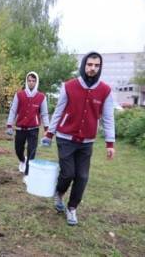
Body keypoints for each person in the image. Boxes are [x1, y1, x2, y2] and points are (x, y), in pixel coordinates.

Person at [41, 52, 115, 226]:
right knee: (68, 173)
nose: (92, 68)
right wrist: (49, 133)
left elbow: (108, 117)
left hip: (86, 142)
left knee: (82, 177)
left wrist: (110, 143)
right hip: (65, 138)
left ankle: (72, 208)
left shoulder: (105, 90)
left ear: (100, 67)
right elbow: (59, 111)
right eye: (89, 64)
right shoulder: (69, 86)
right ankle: (59, 193)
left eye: (96, 65)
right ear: (84, 65)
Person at [6, 72, 49, 181]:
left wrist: (47, 129)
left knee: (32, 151)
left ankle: (28, 174)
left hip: (33, 129)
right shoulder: (19, 95)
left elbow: (44, 113)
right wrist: (9, 125)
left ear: (36, 82)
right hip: (20, 128)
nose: (31, 83)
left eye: (33, 81)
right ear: (26, 81)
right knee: (18, 149)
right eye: (29, 80)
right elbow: (13, 110)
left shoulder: (41, 97)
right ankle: (22, 160)